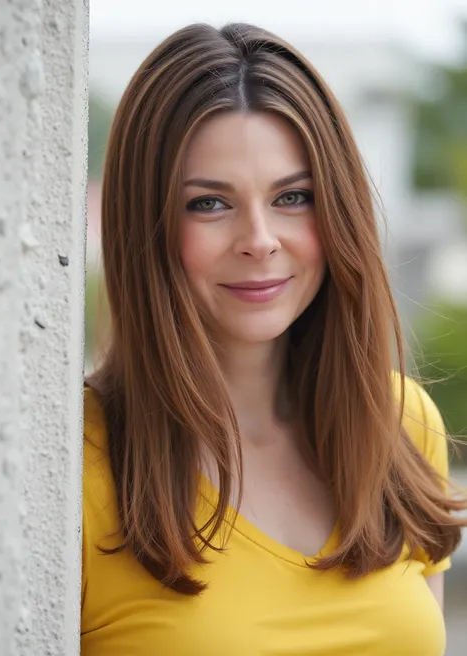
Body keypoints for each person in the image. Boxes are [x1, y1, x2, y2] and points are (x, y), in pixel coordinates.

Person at [81, 23, 467, 656]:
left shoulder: (399, 425)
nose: (260, 239)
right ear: (144, 227)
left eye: (292, 197)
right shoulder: (79, 465)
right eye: (209, 204)